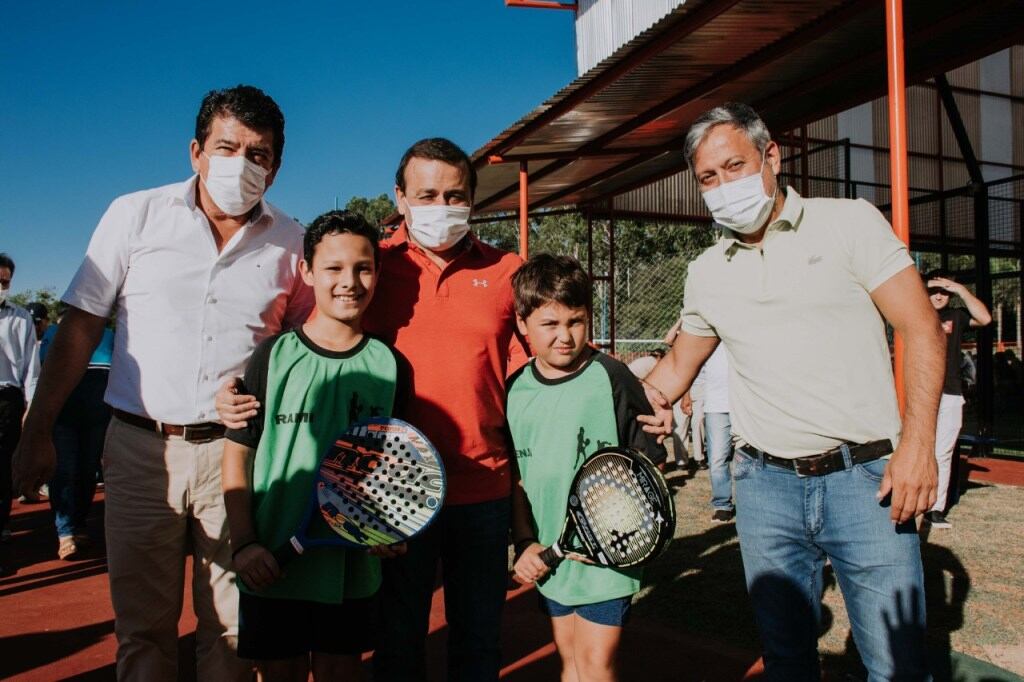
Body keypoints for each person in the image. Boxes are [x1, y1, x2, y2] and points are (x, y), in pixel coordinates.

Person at [13, 85, 313, 681]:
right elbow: (79, 326)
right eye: (228, 148)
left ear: (275, 169)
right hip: (138, 451)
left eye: (259, 154)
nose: (243, 164)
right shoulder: (135, 214)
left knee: (230, 630)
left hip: (238, 460)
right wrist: (37, 427)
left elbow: (306, 350)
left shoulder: (292, 242)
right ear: (196, 152)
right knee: (144, 630)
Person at [640, 102, 945, 681]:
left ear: (771, 156)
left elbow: (921, 328)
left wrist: (918, 446)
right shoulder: (707, 269)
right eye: (709, 177)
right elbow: (674, 370)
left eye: (735, 166)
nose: (724, 186)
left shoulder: (849, 221)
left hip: (867, 481)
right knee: (786, 662)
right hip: (764, 488)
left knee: (897, 668)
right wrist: (612, 386)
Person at [219, 138, 529, 681]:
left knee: (478, 641)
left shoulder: (507, 271)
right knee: (396, 642)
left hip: (482, 492)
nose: (441, 206)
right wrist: (234, 391)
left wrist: (640, 394)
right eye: (427, 194)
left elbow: (545, 359)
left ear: (474, 200)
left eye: (455, 195)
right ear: (400, 198)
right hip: (387, 500)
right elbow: (295, 333)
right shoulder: (370, 263)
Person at [222, 211, 405, 682]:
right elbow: (238, 453)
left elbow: (396, 467)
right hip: (272, 564)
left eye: (363, 268)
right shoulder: (272, 356)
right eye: (333, 268)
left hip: (351, 570)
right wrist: (244, 543)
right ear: (306, 273)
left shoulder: (392, 365)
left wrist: (387, 529)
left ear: (377, 274)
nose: (350, 281)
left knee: (340, 670)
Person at [508, 254, 665, 682]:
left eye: (576, 322)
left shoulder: (612, 376)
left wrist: (613, 530)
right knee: (571, 662)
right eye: (550, 324)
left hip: (607, 561)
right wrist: (524, 543)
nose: (565, 336)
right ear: (523, 323)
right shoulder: (514, 390)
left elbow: (646, 465)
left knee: (596, 666)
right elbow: (516, 480)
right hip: (551, 559)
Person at [40, 305, 115, 558]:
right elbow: (42, 375)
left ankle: (79, 524)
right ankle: (65, 532)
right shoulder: (54, 333)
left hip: (97, 417)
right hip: (64, 418)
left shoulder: (110, 335)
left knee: (87, 471)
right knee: (64, 470)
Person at [923, 269, 991, 529]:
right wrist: (925, 285)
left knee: (943, 451)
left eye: (944, 291)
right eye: (933, 291)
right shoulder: (913, 311)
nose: (939, 296)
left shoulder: (957, 316)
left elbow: (984, 318)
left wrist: (960, 289)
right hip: (917, 391)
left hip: (949, 394)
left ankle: (935, 509)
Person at [1, 253, 40, 543]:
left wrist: (31, 407)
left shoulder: (20, 317)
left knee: (3, 468)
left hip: (7, 400)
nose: (2, 286)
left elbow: (30, 367)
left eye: (6, 282)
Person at [700, 344, 734, 522]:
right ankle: (722, 505)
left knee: (754, 458)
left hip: (745, 404)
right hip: (716, 407)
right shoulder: (706, 337)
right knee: (717, 459)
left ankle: (753, 503)